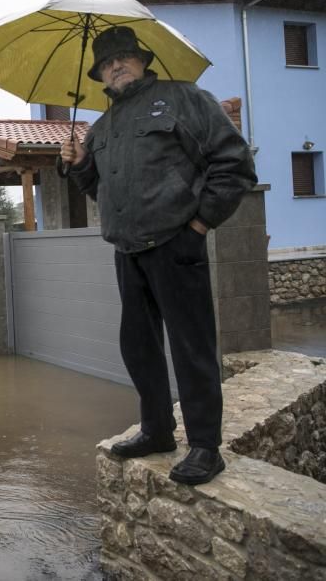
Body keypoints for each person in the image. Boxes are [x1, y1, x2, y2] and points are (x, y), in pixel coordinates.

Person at [61, 25, 256, 485]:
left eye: (124, 57)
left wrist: (199, 225)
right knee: (140, 349)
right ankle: (157, 430)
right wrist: (79, 165)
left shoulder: (184, 99)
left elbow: (235, 163)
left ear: (142, 59)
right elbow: (99, 190)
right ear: (100, 76)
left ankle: (206, 447)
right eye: (108, 63)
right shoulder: (102, 127)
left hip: (176, 244)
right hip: (127, 251)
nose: (117, 66)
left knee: (192, 347)